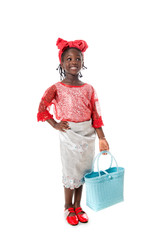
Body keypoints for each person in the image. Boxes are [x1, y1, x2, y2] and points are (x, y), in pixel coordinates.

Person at [37, 38, 109, 226]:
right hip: (69, 135)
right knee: (70, 171)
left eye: (77, 59)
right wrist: (55, 124)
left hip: (88, 134)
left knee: (84, 171)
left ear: (83, 62)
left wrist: (102, 137)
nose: (73, 63)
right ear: (61, 63)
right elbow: (43, 107)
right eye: (68, 59)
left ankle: (78, 205)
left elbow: (96, 115)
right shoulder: (57, 88)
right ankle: (68, 206)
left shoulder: (89, 89)